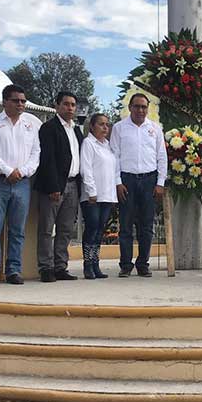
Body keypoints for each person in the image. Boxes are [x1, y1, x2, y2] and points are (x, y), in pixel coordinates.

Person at [0, 84, 41, 285]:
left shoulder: (32, 124)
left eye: (23, 101)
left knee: (17, 230)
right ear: (5, 102)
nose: (21, 104)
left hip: (22, 183)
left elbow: (36, 153)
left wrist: (21, 172)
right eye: (16, 100)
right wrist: (8, 171)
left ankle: (14, 270)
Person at [110, 93, 168, 278]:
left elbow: (162, 157)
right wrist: (118, 182)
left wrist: (160, 183)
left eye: (144, 107)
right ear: (130, 107)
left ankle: (143, 263)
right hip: (127, 180)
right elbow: (114, 156)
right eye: (137, 106)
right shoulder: (119, 128)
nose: (140, 110)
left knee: (146, 225)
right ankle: (125, 265)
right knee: (126, 225)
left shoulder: (155, 129)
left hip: (149, 180)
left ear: (147, 108)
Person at [34, 91, 83, 283]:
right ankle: (46, 268)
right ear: (57, 106)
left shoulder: (76, 130)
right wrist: (54, 186)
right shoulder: (48, 128)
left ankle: (60, 266)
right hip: (54, 186)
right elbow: (47, 159)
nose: (70, 108)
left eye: (72, 105)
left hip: (73, 185)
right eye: (66, 104)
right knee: (47, 228)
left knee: (65, 229)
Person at [79, 113, 117, 279]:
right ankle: (88, 264)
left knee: (100, 231)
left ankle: (96, 264)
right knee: (91, 229)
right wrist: (91, 191)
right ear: (92, 126)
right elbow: (86, 169)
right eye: (101, 124)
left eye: (107, 125)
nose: (105, 128)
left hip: (107, 195)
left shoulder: (107, 146)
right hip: (92, 196)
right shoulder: (88, 143)